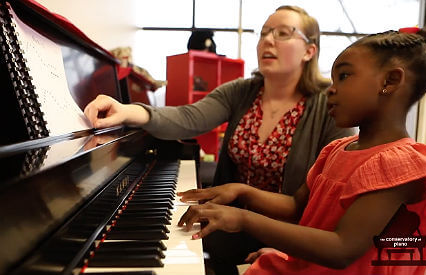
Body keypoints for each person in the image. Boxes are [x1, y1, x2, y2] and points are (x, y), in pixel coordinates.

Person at [84, 5, 352, 274]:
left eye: (283, 33)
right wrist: (128, 110)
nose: (268, 40)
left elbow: (327, 203)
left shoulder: (330, 105)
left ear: (309, 51)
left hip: (292, 236)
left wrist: (289, 253)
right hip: (232, 225)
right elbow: (188, 117)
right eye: (265, 33)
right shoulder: (242, 91)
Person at [177, 27, 426, 275]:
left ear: (390, 81)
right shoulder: (336, 150)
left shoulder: (398, 165)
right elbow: (296, 206)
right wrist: (242, 191)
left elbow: (341, 249)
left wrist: (244, 219)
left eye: (343, 76)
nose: (331, 89)